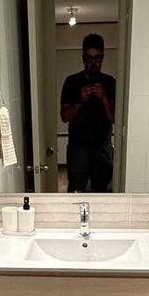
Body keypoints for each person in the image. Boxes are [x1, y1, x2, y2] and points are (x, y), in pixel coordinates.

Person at [60, 34, 116, 192]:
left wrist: (104, 97)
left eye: (97, 58)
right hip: (78, 148)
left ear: (103, 57)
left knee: (103, 192)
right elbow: (64, 117)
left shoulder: (110, 82)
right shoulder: (71, 82)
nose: (93, 62)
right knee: (76, 192)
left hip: (102, 147)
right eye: (89, 58)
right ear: (83, 57)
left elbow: (114, 117)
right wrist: (79, 100)